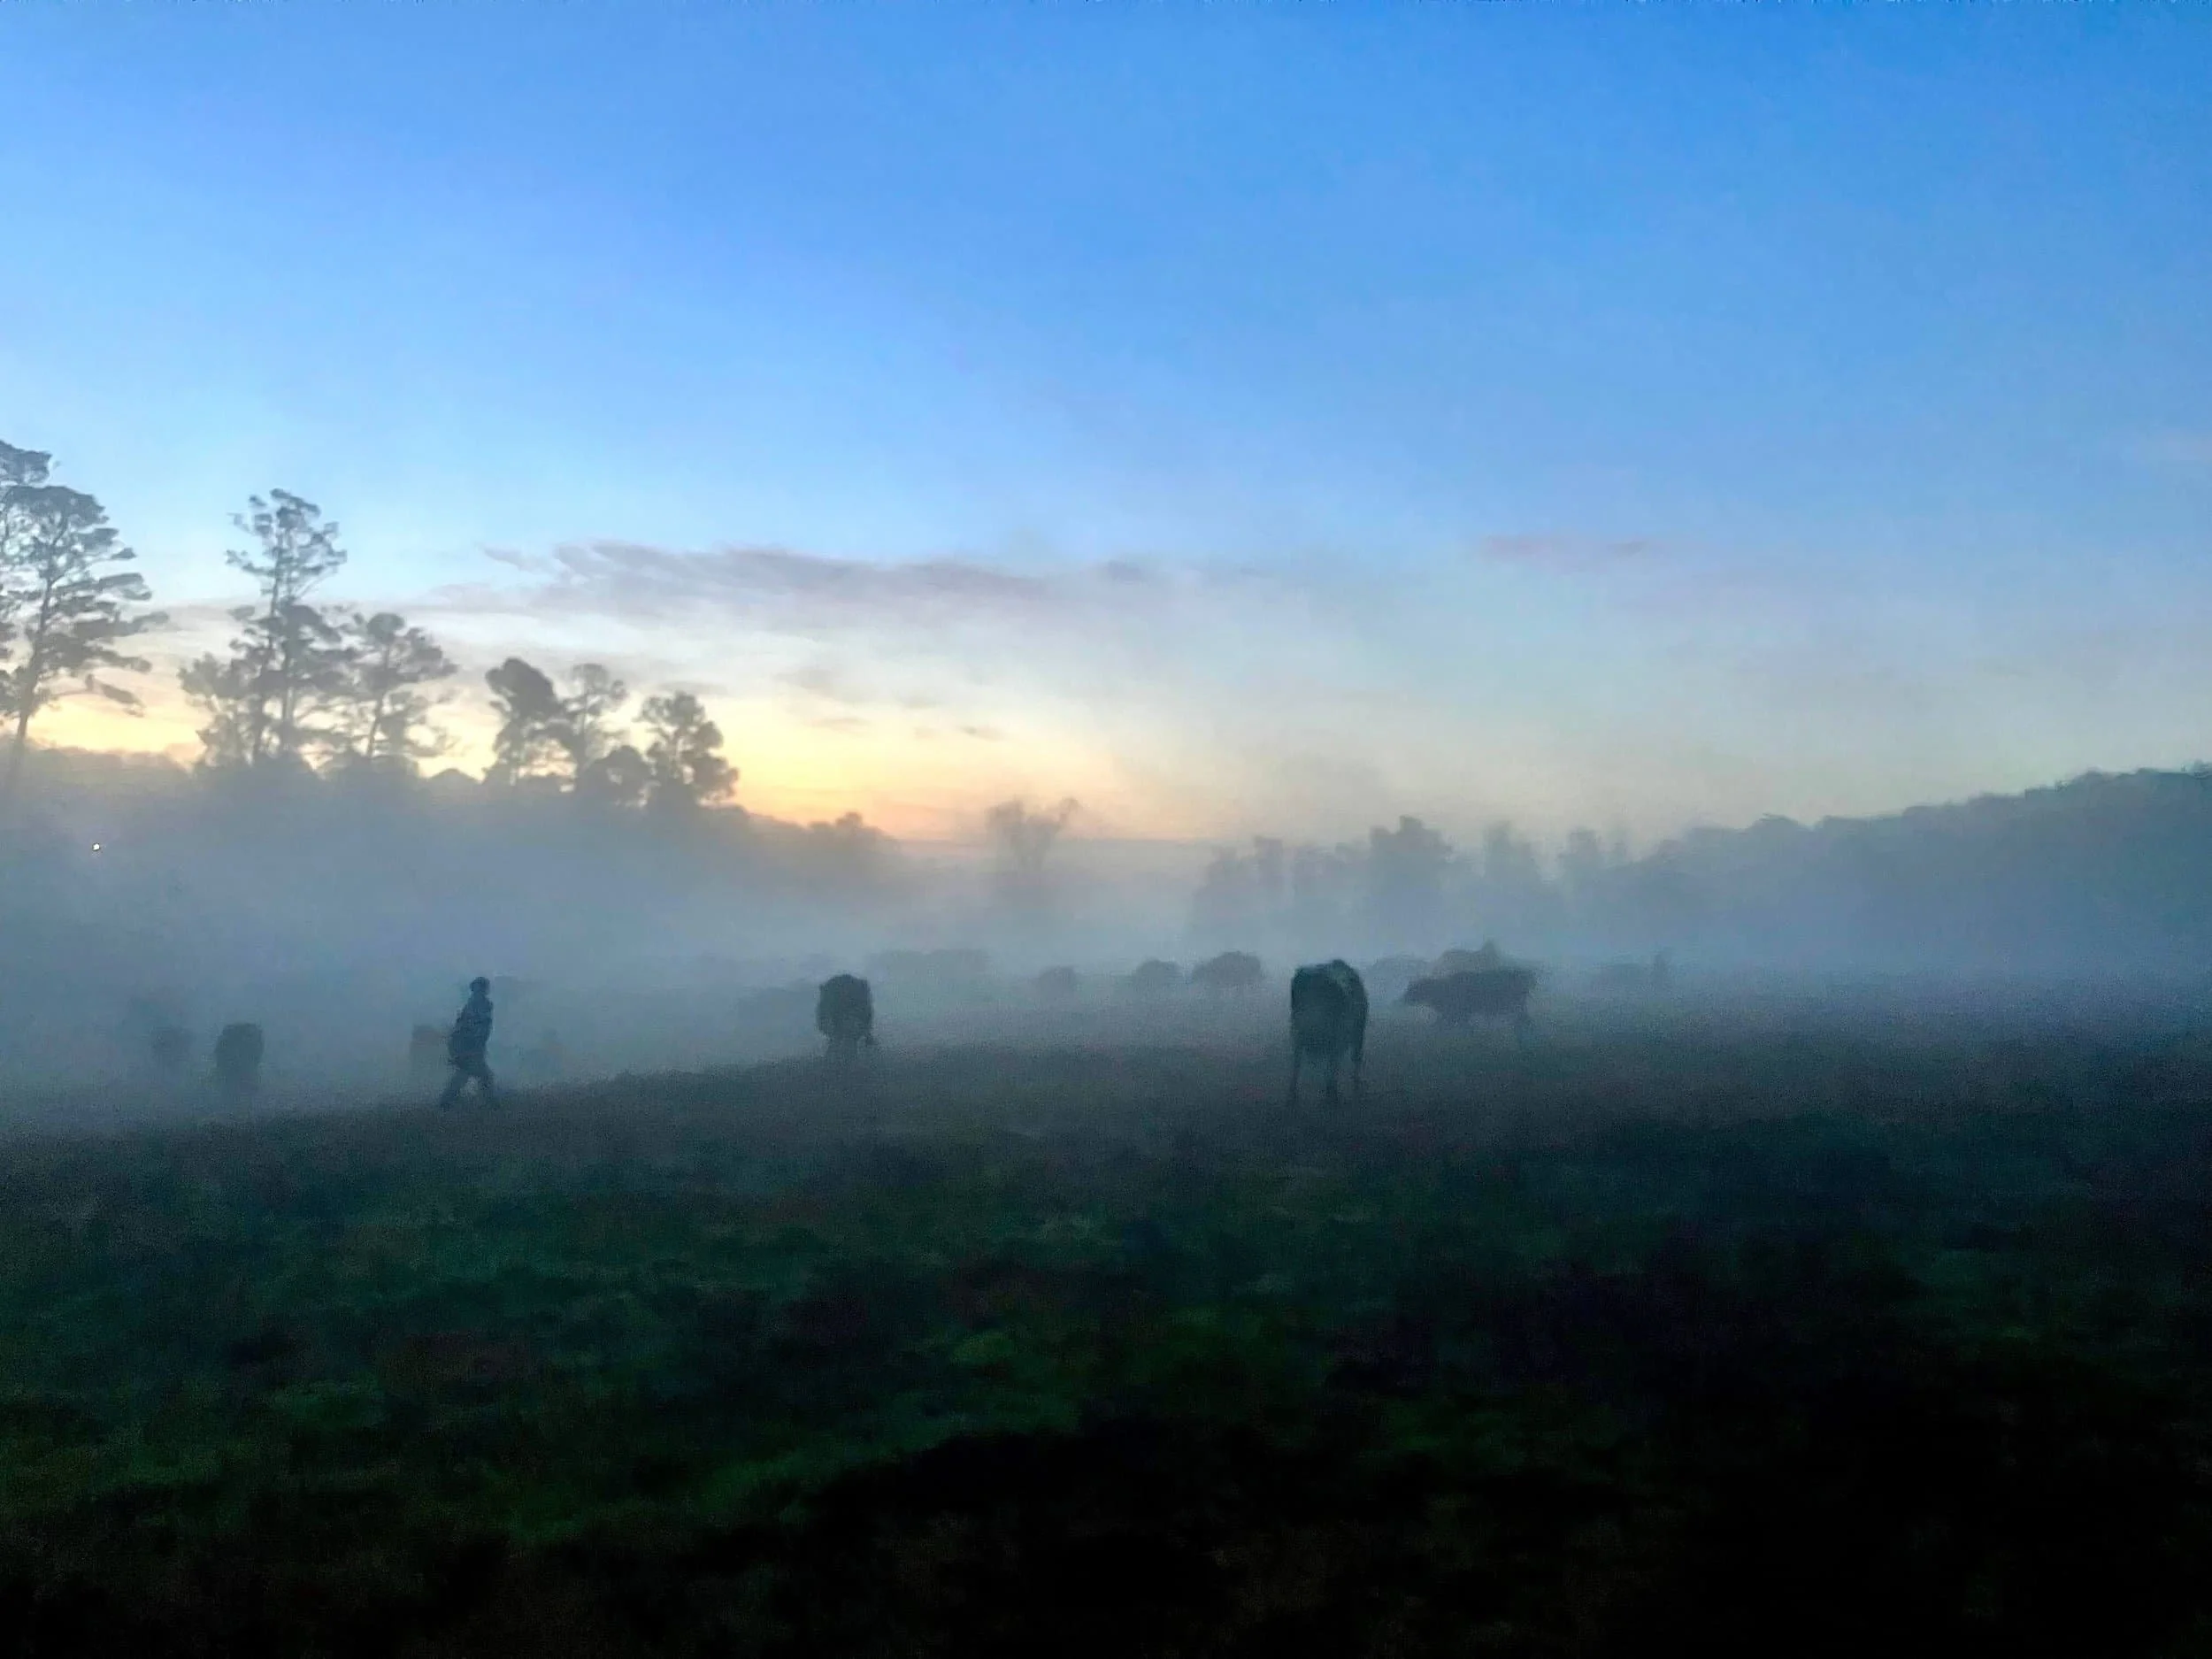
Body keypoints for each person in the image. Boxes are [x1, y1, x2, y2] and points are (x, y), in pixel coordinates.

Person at [438, 977, 497, 1108]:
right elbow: (471, 1029)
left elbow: (479, 1029)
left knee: (465, 1075)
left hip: (467, 1047)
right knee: (482, 1076)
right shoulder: (476, 1006)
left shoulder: (477, 1005)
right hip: (468, 1047)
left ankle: (447, 1101)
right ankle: (490, 1103)